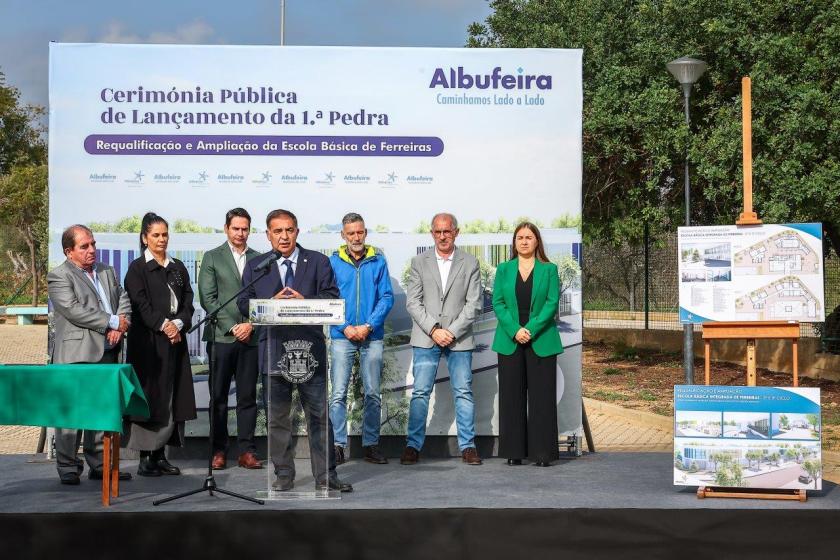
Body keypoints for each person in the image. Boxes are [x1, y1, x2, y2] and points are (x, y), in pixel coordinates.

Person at [238, 209, 352, 492]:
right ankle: (284, 475)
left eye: (289, 230)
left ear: (297, 231)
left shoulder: (318, 261)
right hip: (273, 351)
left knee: (318, 416)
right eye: (277, 231)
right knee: (277, 419)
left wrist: (305, 300)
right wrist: (271, 301)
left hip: (309, 351)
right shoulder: (256, 265)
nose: (284, 236)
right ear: (268, 235)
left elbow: (331, 297)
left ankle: (326, 475)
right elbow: (244, 303)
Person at [47, 225, 132, 485]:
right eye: (84, 246)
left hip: (109, 351)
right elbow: (74, 310)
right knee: (72, 414)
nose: (91, 250)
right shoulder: (58, 276)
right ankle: (69, 467)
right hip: (76, 355)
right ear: (68, 251)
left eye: (93, 244)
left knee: (101, 411)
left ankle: (100, 464)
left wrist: (121, 322)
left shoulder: (107, 270)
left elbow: (123, 297)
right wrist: (112, 322)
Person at [402, 212, 483, 466]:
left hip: (459, 339)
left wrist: (452, 331)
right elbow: (412, 302)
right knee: (420, 393)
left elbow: (475, 304)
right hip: (427, 337)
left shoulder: (470, 263)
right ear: (431, 233)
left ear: (456, 232)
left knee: (463, 392)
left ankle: (468, 446)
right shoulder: (418, 262)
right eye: (437, 231)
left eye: (447, 231)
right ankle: (413, 447)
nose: (442, 236)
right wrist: (435, 329)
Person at [124, 212, 197, 476]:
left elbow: (188, 302)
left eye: (165, 234)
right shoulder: (137, 269)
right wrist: (164, 325)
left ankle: (160, 454)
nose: (161, 239)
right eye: (155, 235)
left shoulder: (177, 266)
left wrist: (178, 324)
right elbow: (140, 304)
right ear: (145, 238)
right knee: (151, 398)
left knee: (172, 398)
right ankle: (145, 457)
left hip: (175, 342)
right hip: (148, 346)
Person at [492, 222, 564, 466]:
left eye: (529, 237)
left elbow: (551, 303)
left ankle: (542, 453)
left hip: (541, 340)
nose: (524, 241)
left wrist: (530, 330)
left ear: (537, 242)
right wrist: (515, 330)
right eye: (520, 237)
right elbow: (498, 303)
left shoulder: (549, 269)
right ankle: (514, 452)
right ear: (514, 242)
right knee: (511, 397)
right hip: (510, 341)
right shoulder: (503, 269)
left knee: (542, 398)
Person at [198, 208, 262, 470]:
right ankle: (218, 451)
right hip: (221, 339)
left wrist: (251, 325)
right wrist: (234, 326)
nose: (240, 233)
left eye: (245, 228)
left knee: (248, 398)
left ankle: (246, 451)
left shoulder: (261, 259)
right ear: (226, 229)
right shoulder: (212, 257)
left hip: (251, 338)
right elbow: (207, 298)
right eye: (236, 228)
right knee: (219, 398)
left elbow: (265, 298)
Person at [328, 212, 394, 465]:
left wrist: (368, 325)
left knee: (373, 393)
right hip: (341, 335)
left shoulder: (378, 260)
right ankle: (337, 446)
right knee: (338, 394)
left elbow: (386, 296)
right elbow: (327, 298)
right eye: (351, 233)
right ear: (343, 235)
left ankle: (371, 445)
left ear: (365, 232)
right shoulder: (333, 261)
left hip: (372, 335)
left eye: (360, 232)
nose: (356, 237)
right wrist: (345, 327)